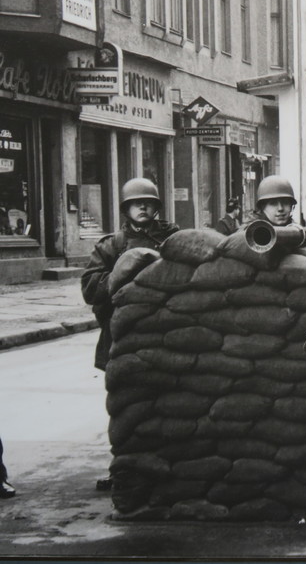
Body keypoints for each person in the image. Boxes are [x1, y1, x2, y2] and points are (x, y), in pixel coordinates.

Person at [81, 177, 180, 490]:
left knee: (167, 403)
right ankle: (122, 468)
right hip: (121, 340)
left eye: (149, 203)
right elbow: (90, 288)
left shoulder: (174, 238)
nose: (143, 208)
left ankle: (169, 465)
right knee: (125, 409)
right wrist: (120, 273)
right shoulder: (111, 244)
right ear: (126, 208)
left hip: (165, 334)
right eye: (137, 203)